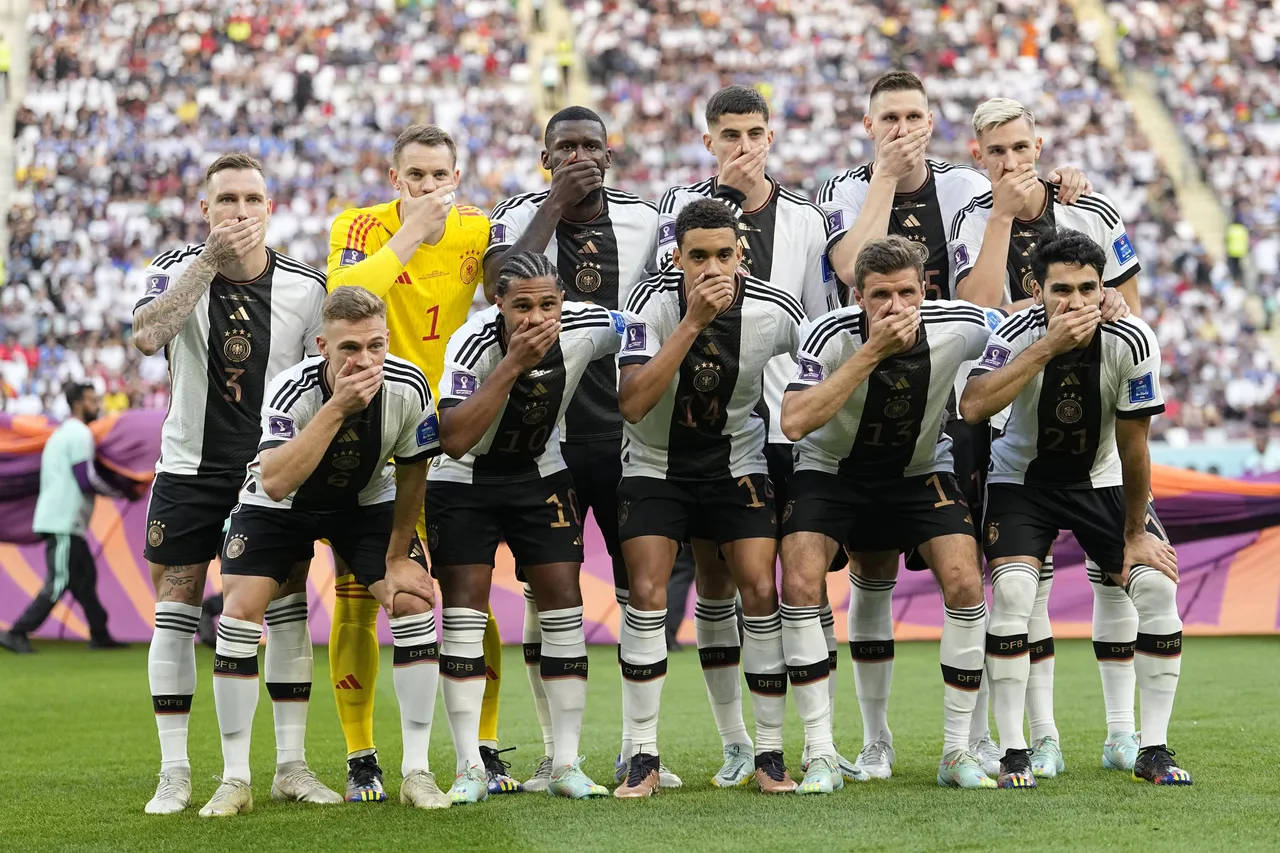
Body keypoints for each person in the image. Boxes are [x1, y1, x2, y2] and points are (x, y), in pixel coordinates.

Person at [815, 70, 1091, 779]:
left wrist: (1058, 191)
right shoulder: (843, 189)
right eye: (889, 118)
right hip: (876, 403)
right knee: (871, 571)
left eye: (914, 115)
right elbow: (850, 268)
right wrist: (885, 179)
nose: (903, 128)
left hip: (965, 400)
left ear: (934, 122)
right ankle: (876, 741)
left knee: (992, 573)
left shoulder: (969, 188)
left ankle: (1008, 734)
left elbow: (991, 291)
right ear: (869, 125)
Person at [656, 84, 848, 785]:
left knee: (803, 582)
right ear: (708, 141)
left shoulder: (807, 217)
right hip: (714, 424)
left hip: (788, 425)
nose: (743, 146)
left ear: (772, 138)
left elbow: (822, 322)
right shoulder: (675, 212)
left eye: (755, 133)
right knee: (715, 583)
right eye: (729, 135)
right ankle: (740, 741)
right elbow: (657, 294)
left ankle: (820, 742)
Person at [132, 153, 335, 814]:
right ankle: (174, 770)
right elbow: (147, 334)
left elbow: (318, 388)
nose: (240, 212)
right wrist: (208, 261)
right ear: (205, 209)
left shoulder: (306, 286)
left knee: (286, 604)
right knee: (178, 600)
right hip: (188, 467)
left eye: (252, 199)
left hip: (267, 474)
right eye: (227, 200)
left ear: (270, 207)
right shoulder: (174, 268)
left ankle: (291, 765)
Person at [198, 286, 446, 816]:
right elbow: (277, 482)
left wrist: (400, 555)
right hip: (279, 505)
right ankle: (236, 778)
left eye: (375, 346)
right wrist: (337, 407)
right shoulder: (291, 390)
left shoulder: (409, 386)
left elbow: (413, 472)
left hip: (363, 502)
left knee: (412, 604)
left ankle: (417, 772)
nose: (365, 360)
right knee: (239, 613)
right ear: (321, 348)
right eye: (349, 348)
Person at [960, 229, 1191, 788]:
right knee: (1014, 594)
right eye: (1061, 290)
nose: (1076, 303)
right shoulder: (1014, 332)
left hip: (1103, 480)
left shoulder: (1132, 340)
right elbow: (972, 406)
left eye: (1089, 288)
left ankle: (1149, 748)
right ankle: (1017, 751)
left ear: (1103, 288)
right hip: (1022, 483)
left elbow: (1136, 446)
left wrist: (1136, 534)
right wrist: (1047, 347)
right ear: (1035, 289)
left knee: (1156, 587)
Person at [952, 97, 1140, 777]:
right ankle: (1036, 734)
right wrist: (1002, 215)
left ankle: (1120, 733)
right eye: (996, 152)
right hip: (1005, 419)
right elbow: (974, 315)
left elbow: (1131, 312)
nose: (1011, 163)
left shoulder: (1094, 208)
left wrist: (1106, 303)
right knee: (1016, 589)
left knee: (1114, 578)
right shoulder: (972, 218)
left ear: (1039, 145)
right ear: (978, 157)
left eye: (1020, 149)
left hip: (1088, 418)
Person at [779, 235, 1001, 793]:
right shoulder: (827, 334)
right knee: (801, 582)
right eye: (881, 295)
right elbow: (794, 421)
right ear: (858, 296)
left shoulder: (960, 324)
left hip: (918, 470)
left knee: (965, 582)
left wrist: (1110, 305)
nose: (896, 307)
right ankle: (824, 751)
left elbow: (1021, 327)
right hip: (831, 470)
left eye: (907, 293)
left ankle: (958, 750)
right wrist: (871, 352)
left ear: (925, 289)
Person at [484, 106, 664, 789]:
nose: (580, 156)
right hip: (546, 441)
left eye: (591, 145)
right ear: (545, 156)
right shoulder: (518, 213)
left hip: (627, 437)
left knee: (639, 590)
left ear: (610, 155)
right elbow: (496, 281)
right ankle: (555, 751)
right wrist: (556, 204)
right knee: (544, 593)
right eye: (566, 147)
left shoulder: (645, 217)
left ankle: (640, 749)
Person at [326, 124, 507, 801]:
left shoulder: (478, 230)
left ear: (457, 175)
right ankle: (361, 753)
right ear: (395, 179)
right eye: (417, 177)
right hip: (373, 436)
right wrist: (410, 233)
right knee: (359, 596)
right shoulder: (359, 225)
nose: (431, 188)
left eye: (441, 176)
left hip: (452, 436)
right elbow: (345, 291)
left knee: (468, 594)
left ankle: (480, 744)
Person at [612, 200, 804, 798]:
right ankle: (642, 754)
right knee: (646, 593)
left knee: (760, 589)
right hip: (653, 466)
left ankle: (767, 753)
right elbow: (634, 402)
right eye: (698, 256)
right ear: (678, 257)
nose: (712, 266)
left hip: (736, 465)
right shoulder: (649, 305)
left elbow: (827, 359)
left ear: (741, 255)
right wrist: (692, 322)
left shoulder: (774, 310)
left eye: (724, 254)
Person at [430, 251, 623, 804]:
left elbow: (641, 327)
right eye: (522, 306)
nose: (536, 318)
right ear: (499, 304)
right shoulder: (472, 344)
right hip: (464, 480)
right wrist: (511, 364)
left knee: (564, 605)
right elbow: (455, 437)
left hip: (540, 474)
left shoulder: (587, 324)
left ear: (562, 302)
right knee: (465, 613)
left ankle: (564, 763)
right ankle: (470, 767)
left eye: (547, 305)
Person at [0, 383, 131, 654]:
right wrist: (122, 491)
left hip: (67, 521)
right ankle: (17, 632)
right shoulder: (79, 434)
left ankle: (100, 633)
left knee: (84, 580)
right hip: (63, 521)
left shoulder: (63, 433)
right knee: (60, 580)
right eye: (93, 400)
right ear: (79, 404)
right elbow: (86, 479)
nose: (99, 406)